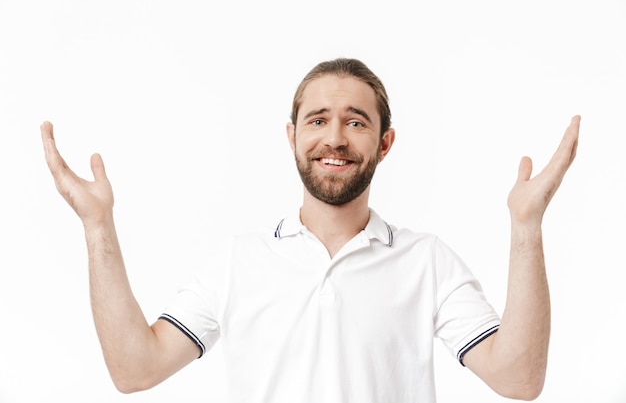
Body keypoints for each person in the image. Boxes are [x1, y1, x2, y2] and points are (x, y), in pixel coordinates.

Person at [41, 58, 580, 403]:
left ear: (385, 143)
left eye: (356, 120)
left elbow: (518, 380)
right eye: (318, 120)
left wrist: (526, 226)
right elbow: (136, 370)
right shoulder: (238, 261)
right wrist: (97, 227)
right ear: (292, 135)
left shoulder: (426, 261)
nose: (335, 138)